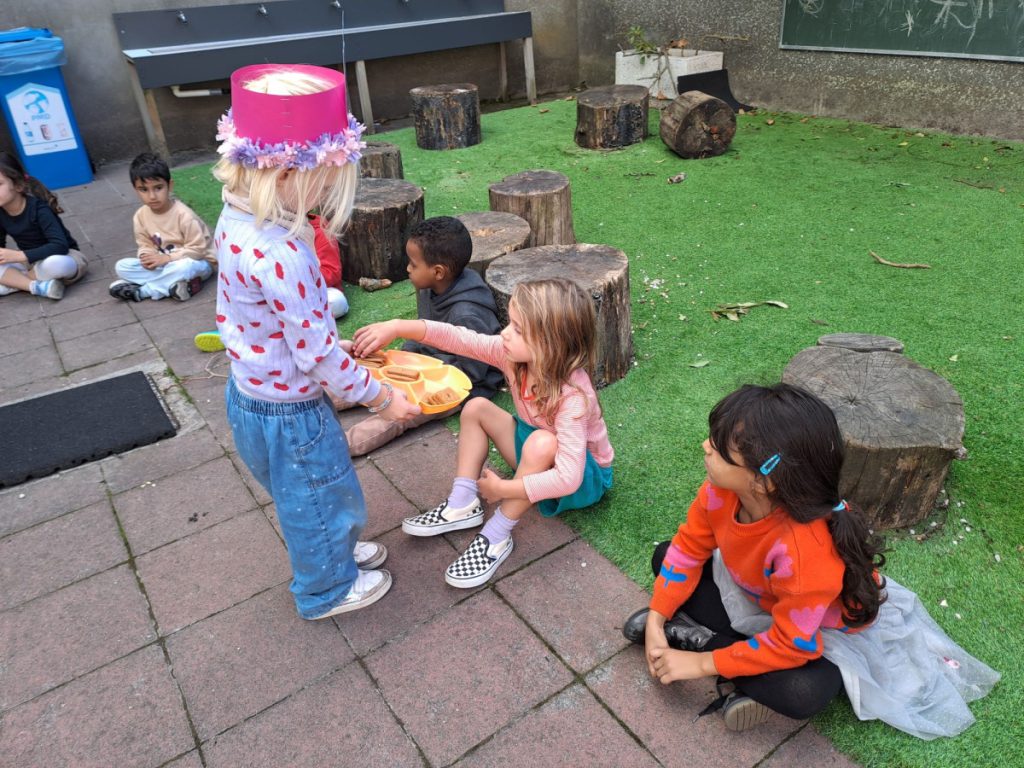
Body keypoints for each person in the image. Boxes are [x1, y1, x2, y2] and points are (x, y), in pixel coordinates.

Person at [620, 383, 999, 738]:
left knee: (805, 691)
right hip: (761, 596)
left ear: (763, 481)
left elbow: (792, 644)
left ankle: (700, 641)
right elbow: (687, 549)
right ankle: (723, 659)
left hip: (817, 629)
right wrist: (657, 617)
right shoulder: (720, 493)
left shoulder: (806, 552)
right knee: (665, 556)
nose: (705, 446)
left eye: (720, 450)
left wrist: (702, 664)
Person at [213, 63, 420, 620]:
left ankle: (336, 552)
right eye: (326, 180)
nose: (328, 193)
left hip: (251, 394)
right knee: (317, 494)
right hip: (291, 413)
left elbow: (272, 321)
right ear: (287, 173)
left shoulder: (234, 220)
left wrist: (327, 347)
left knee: (308, 492)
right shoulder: (283, 251)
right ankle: (326, 589)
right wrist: (382, 399)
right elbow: (316, 355)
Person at [353, 277, 614, 588]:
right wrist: (397, 327)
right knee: (476, 407)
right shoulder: (512, 356)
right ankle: (462, 502)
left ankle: (497, 534)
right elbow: (458, 338)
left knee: (542, 443)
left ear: (551, 343)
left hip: (583, 480)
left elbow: (569, 477)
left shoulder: (573, 397)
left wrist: (503, 489)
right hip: (538, 452)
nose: (504, 333)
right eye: (510, 323)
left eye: (518, 329)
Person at [343, 215, 503, 457]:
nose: (408, 268)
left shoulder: (467, 314)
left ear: (438, 272)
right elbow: (420, 332)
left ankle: (341, 447)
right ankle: (320, 395)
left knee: (403, 411)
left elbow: (474, 372)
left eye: (413, 264)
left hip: (456, 384)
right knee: (370, 374)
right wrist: (403, 361)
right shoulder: (430, 287)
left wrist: (421, 375)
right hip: (425, 366)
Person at [109, 152, 215, 302]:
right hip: (164, 264)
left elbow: (198, 250)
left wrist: (168, 258)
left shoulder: (184, 215)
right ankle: (177, 286)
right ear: (135, 189)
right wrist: (146, 257)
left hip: (198, 263)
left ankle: (143, 291)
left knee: (183, 268)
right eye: (144, 189)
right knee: (122, 266)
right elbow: (145, 244)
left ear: (169, 185)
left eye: (158, 188)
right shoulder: (140, 215)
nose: (152, 196)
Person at [0, 151, 87, 300]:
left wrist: (19, 255)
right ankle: (38, 287)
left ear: (18, 185)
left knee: (55, 263)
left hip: (65, 256)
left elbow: (60, 245)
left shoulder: (39, 209)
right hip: (31, 262)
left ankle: (15, 283)